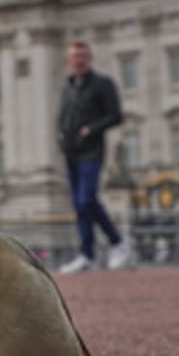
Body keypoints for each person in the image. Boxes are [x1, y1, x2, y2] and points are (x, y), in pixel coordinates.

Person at [56, 41, 134, 272]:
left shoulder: (102, 84)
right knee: (79, 206)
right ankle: (86, 254)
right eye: (74, 57)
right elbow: (63, 117)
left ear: (89, 59)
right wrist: (61, 137)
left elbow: (115, 116)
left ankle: (118, 243)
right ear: (68, 61)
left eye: (82, 56)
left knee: (86, 199)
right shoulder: (68, 87)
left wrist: (91, 129)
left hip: (92, 150)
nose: (78, 61)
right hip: (71, 152)